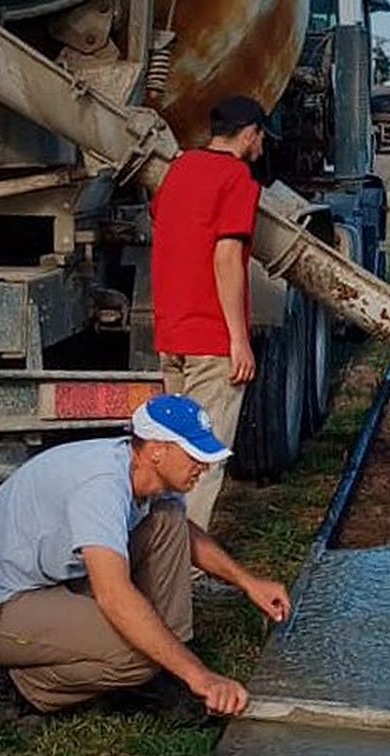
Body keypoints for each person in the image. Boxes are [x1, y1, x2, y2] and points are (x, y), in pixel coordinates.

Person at [0, 394, 291, 723]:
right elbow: (114, 596)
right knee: (138, 656)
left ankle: (168, 670)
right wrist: (202, 676)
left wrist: (248, 582)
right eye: (193, 454)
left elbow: (185, 535)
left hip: (48, 581)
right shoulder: (102, 486)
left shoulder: (148, 474)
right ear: (157, 451)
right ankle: (11, 685)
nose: (203, 465)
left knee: (169, 521)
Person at [150, 94, 271, 530]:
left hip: (171, 335)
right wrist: (239, 340)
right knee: (201, 459)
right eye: (260, 137)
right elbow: (225, 258)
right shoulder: (237, 178)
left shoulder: (178, 170)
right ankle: (183, 570)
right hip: (210, 341)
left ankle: (156, 554)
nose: (261, 146)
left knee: (170, 456)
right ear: (249, 133)